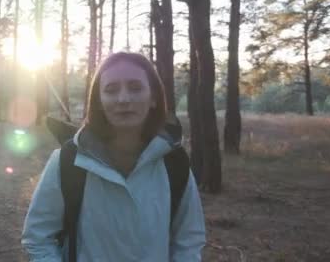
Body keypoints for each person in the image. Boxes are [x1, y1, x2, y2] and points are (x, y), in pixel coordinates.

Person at [21, 52, 205, 261]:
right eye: (111, 90)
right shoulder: (68, 161)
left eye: (135, 88)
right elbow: (38, 237)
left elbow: (189, 242)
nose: (123, 99)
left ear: (153, 98)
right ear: (98, 101)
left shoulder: (174, 164)